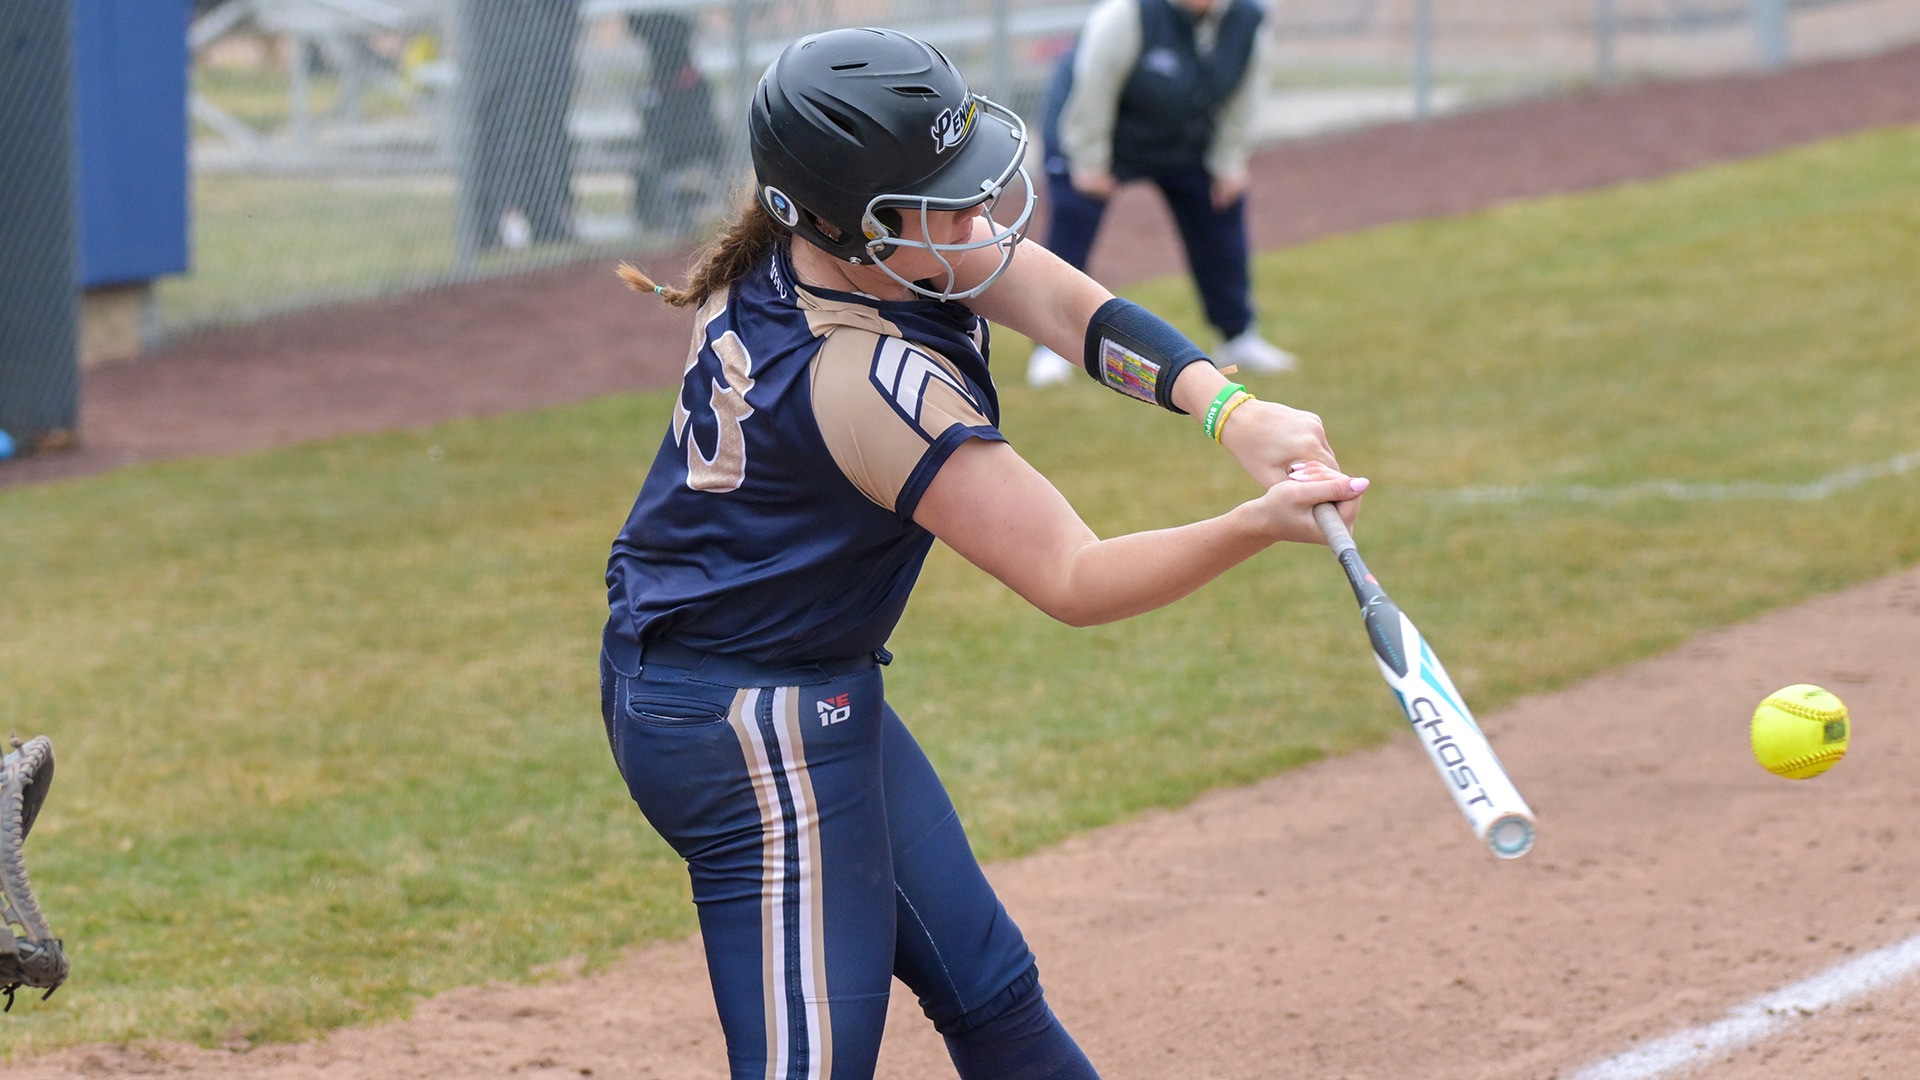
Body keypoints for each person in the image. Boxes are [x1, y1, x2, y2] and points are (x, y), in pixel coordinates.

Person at [602, 26, 1363, 1080]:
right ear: (844, 222)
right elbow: (1074, 578)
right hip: (742, 727)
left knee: (990, 990)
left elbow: (1061, 303)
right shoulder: (868, 383)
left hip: (789, 683)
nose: (976, 221)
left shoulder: (833, 255)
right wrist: (1253, 526)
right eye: (939, 203)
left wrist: (1231, 411)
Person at [1027, 0, 1297, 387]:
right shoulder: (1126, 14)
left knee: (1220, 208)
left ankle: (1238, 336)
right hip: (1096, 129)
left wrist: (1228, 162)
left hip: (1182, 137)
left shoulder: (1249, 18)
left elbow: (1246, 94)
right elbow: (1093, 89)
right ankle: (1049, 348)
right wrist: (1088, 162)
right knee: (1073, 223)